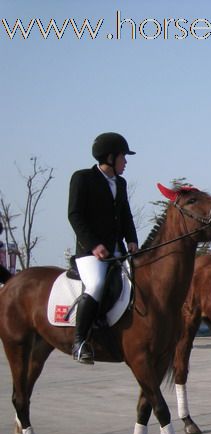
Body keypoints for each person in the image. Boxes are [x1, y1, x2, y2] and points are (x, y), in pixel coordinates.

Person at [67, 132, 139, 365]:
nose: (125, 162)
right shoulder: (83, 178)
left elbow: (125, 215)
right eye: (123, 157)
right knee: (97, 285)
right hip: (91, 253)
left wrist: (132, 239)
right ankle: (79, 342)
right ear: (110, 157)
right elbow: (75, 215)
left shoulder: (120, 183)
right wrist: (94, 244)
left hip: (117, 250)